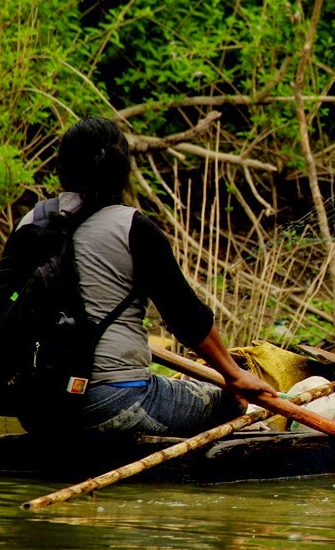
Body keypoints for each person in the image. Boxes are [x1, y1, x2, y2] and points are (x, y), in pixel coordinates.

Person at [19, 116, 276, 436]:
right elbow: (186, 318)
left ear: (64, 168)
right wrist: (233, 374)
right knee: (230, 403)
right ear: (121, 171)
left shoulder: (33, 220)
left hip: (36, 407)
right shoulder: (132, 228)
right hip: (111, 400)